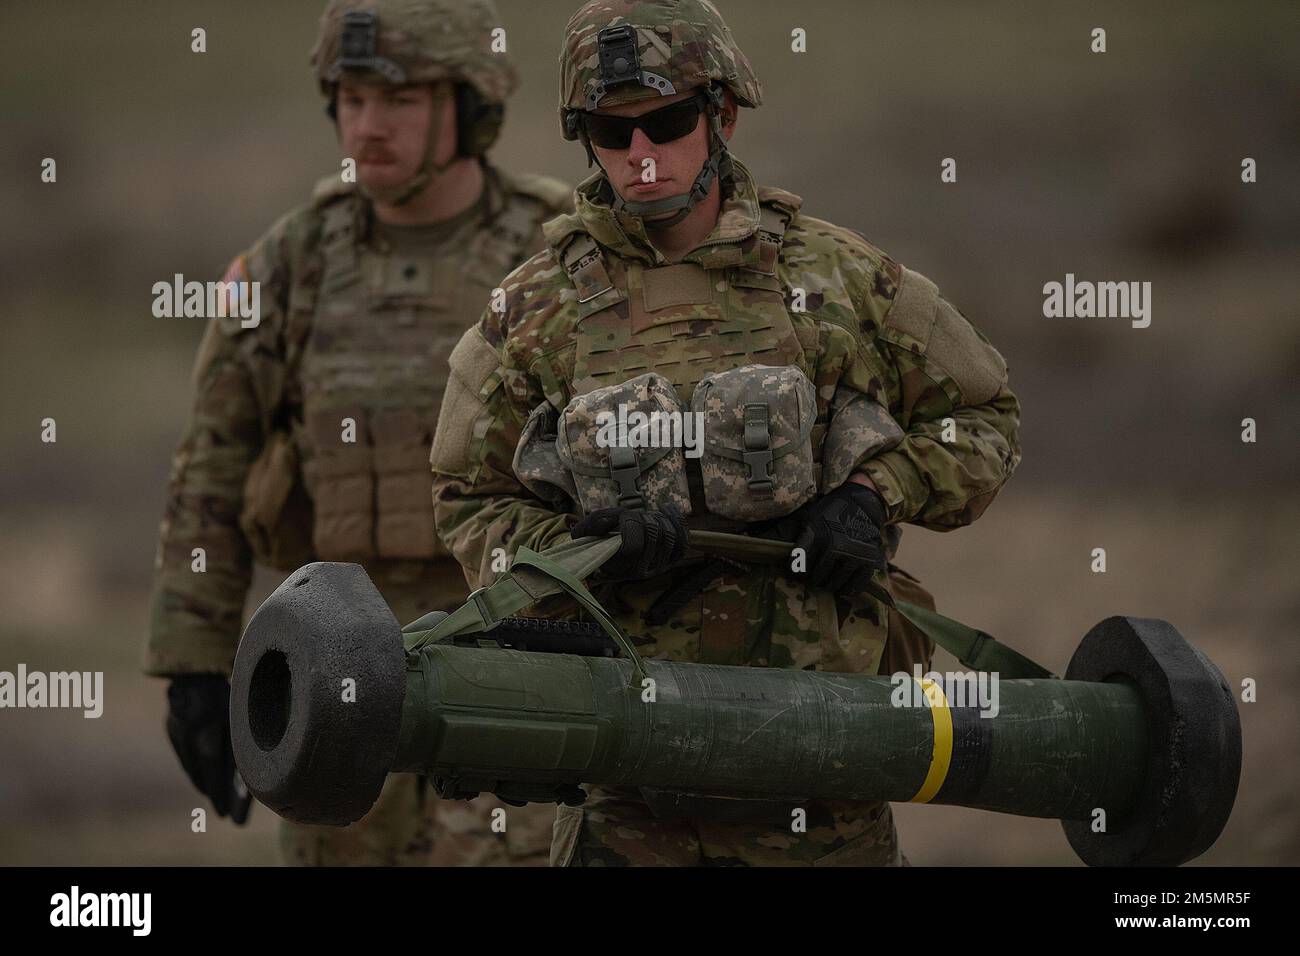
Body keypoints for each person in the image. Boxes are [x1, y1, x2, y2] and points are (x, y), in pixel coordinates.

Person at [430, 0, 1021, 866]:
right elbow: (466, 495)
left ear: (722, 115)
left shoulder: (838, 278)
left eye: (667, 123)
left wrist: (872, 497)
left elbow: (985, 415)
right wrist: (573, 557)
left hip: (824, 780)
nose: (640, 156)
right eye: (609, 130)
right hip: (627, 791)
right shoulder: (532, 313)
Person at [143, 0, 569, 866]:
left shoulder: (555, 253)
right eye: (350, 98)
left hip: (508, 666)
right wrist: (194, 666)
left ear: (468, 105)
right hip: (332, 667)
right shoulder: (289, 264)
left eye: (399, 100)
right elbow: (211, 473)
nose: (367, 125)